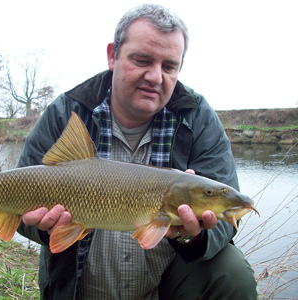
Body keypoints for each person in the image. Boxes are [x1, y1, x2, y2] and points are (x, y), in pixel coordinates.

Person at [17, 4, 257, 300]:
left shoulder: (197, 118)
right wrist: (44, 228)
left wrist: (189, 235)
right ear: (112, 56)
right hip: (77, 288)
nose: (155, 77)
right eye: (142, 60)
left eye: (169, 66)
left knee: (231, 272)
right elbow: (18, 213)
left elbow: (223, 227)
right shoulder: (66, 112)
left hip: (165, 289)